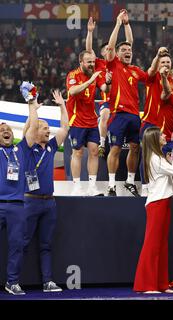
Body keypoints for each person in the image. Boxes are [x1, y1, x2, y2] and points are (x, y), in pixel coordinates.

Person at [133, 127, 173, 294]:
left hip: (163, 202)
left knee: (161, 245)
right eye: (161, 134)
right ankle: (146, 285)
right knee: (152, 245)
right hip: (157, 204)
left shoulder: (158, 157)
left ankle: (161, 284)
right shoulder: (155, 159)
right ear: (154, 139)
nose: (165, 135)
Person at [22, 89, 69, 293]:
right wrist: (32, 108)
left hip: (49, 203)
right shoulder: (28, 147)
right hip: (30, 201)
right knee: (21, 243)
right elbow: (29, 128)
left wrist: (62, 106)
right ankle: (13, 280)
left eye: (49, 128)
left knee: (46, 245)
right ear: (36, 131)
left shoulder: (50, 147)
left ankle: (48, 282)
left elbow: (65, 128)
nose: (48, 131)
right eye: (44, 128)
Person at [105, 10, 149, 197]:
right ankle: (112, 185)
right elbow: (111, 46)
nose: (128, 52)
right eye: (123, 50)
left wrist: (127, 24)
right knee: (114, 148)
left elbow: (151, 79)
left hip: (134, 115)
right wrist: (118, 24)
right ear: (117, 54)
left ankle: (130, 182)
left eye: (129, 51)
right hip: (117, 114)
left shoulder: (136, 70)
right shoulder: (113, 65)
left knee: (135, 148)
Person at [1, 82, 39, 295]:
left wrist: (31, 102)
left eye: (8, 130)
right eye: (2, 130)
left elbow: (33, 127)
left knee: (17, 247)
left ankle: (12, 282)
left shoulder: (20, 150)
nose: (6, 131)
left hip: (17, 206)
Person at [85, 14, 133, 157]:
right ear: (101, 53)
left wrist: (126, 24)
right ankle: (101, 142)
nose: (109, 50)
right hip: (108, 100)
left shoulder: (119, 62)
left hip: (124, 101)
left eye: (110, 48)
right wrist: (90, 32)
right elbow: (88, 50)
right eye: (106, 49)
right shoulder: (98, 63)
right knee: (105, 113)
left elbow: (129, 42)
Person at [66, 50, 111, 196]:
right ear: (81, 62)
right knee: (77, 152)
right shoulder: (73, 75)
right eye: (89, 62)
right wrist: (91, 80)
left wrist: (108, 82)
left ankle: (92, 187)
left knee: (94, 152)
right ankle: (76, 187)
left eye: (93, 62)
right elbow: (73, 91)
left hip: (91, 120)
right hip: (76, 119)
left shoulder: (95, 74)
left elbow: (105, 88)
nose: (92, 64)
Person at [140, 47, 173, 196]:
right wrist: (157, 55)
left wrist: (165, 77)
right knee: (146, 154)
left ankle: (162, 185)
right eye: (163, 61)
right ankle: (145, 185)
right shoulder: (152, 77)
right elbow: (152, 69)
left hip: (163, 126)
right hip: (149, 122)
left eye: (168, 62)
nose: (165, 64)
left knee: (163, 156)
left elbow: (166, 95)